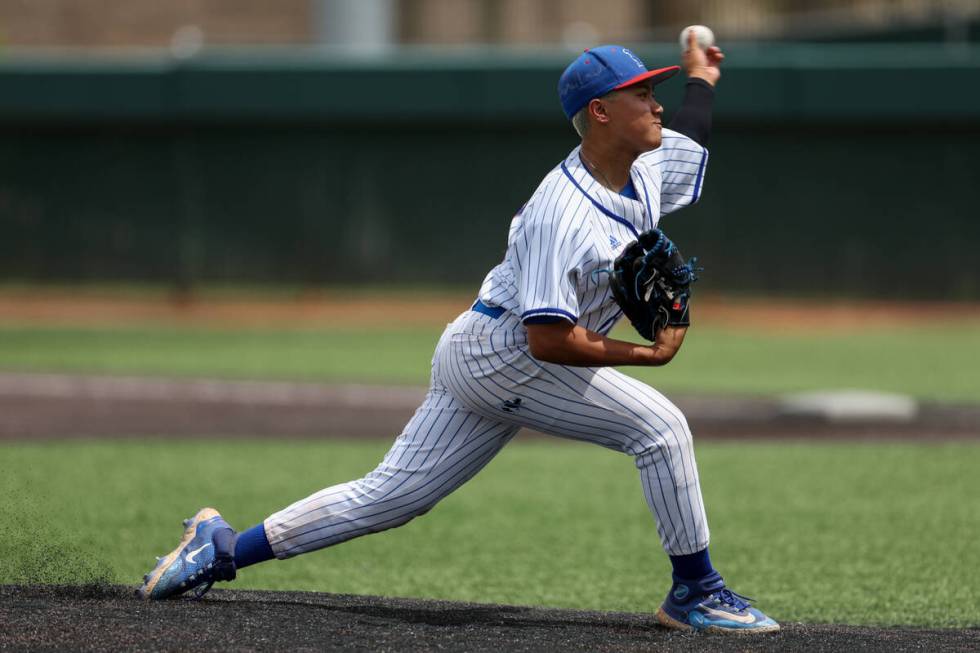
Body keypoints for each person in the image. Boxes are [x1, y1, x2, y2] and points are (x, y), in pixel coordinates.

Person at [139, 34, 779, 635]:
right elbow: (549, 340)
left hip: (477, 347)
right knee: (660, 430)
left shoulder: (640, 166)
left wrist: (701, 79)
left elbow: (688, 143)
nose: (655, 102)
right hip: (512, 358)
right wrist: (649, 355)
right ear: (601, 112)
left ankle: (221, 548)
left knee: (387, 498)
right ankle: (695, 591)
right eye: (641, 93)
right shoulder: (563, 211)